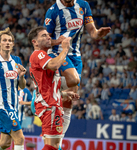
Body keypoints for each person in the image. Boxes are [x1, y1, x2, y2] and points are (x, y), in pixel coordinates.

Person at [44, 0, 111, 147]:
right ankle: (45, 97)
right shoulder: (53, 11)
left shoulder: (83, 5)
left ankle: (57, 143)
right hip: (58, 52)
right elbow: (44, 41)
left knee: (69, 100)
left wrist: (99, 34)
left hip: (76, 56)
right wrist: (58, 42)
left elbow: (92, 32)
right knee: (73, 80)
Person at [28, 26, 79, 150]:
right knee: (53, 146)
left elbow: (48, 87)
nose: (48, 37)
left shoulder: (44, 56)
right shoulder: (38, 54)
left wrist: (64, 95)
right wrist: (65, 49)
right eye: (43, 36)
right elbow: (55, 64)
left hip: (51, 104)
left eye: (48, 35)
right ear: (34, 42)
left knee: (54, 145)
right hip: (48, 106)